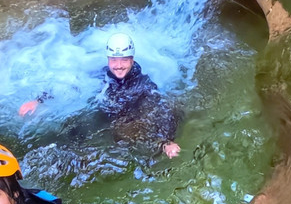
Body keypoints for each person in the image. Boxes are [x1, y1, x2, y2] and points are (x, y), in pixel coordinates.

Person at [19, 32, 181, 158]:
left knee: (124, 133)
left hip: (126, 119)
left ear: (132, 60)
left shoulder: (143, 84)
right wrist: (38, 100)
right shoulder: (103, 75)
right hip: (104, 113)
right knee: (71, 128)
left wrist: (166, 142)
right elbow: (72, 83)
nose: (118, 66)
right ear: (108, 59)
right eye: (114, 60)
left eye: (124, 60)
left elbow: (161, 109)